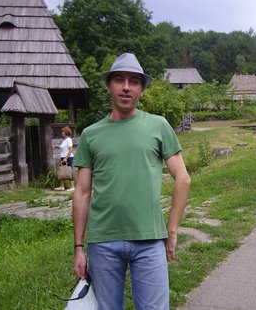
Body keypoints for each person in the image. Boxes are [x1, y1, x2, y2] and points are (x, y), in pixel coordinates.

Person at [72, 53, 191, 310]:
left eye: (134, 81)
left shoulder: (158, 126)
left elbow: (182, 179)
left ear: (141, 89)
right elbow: (82, 192)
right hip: (103, 243)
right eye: (119, 80)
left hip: (149, 241)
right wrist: (79, 247)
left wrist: (171, 229)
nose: (126, 87)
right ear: (109, 86)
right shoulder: (91, 135)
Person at [54, 126, 74, 191]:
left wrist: (66, 158)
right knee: (62, 171)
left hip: (68, 158)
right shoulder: (64, 140)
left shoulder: (69, 140)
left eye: (63, 132)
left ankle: (72, 186)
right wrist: (58, 146)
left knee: (69, 171)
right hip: (63, 157)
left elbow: (71, 150)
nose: (62, 133)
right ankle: (61, 186)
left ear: (66, 133)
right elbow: (64, 148)